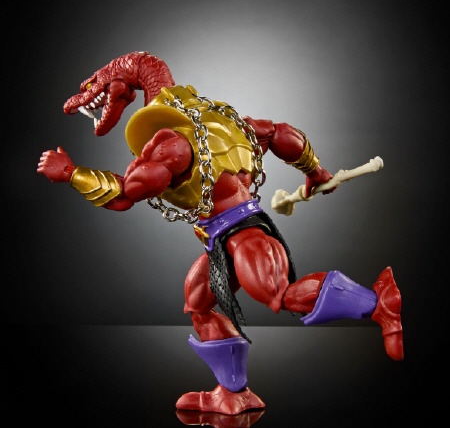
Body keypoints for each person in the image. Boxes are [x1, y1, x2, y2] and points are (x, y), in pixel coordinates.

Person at [37, 51, 403, 415]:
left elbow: (124, 196)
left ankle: (378, 303)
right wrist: (315, 172)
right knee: (199, 304)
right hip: (221, 240)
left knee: (280, 295)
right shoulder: (224, 124)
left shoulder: (170, 145)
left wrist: (70, 173)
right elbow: (277, 134)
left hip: (245, 236)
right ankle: (233, 393)